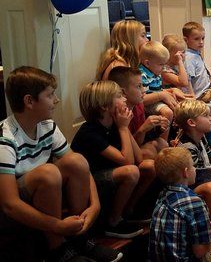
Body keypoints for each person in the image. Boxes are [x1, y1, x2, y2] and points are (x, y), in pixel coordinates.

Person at [0, 67, 122, 262]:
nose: (56, 100)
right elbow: (9, 203)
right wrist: (57, 225)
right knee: (48, 173)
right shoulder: (5, 139)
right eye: (50, 95)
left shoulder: (47, 126)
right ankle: (58, 250)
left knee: (77, 161)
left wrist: (95, 205)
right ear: (29, 101)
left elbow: (81, 166)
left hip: (39, 194)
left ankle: (79, 239)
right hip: (11, 210)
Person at [71, 81, 155, 239]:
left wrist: (124, 127)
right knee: (131, 172)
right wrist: (123, 128)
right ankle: (113, 222)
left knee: (149, 166)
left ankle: (128, 211)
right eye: (119, 96)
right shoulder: (89, 132)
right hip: (90, 182)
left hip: (112, 172)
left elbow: (139, 158)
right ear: (104, 106)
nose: (124, 99)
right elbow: (128, 163)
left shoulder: (115, 124)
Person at [149, 147, 211, 262]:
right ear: (185, 172)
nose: (194, 169)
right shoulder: (194, 202)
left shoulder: (161, 197)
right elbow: (200, 251)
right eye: (192, 166)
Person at [108, 66, 169, 159]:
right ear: (123, 92)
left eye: (143, 85)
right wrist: (143, 129)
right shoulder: (118, 114)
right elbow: (129, 147)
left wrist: (158, 128)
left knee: (162, 144)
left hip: (137, 145)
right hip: (124, 154)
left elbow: (141, 140)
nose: (144, 90)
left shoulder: (138, 105)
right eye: (139, 86)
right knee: (149, 153)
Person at [139, 41, 177, 140]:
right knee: (168, 113)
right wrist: (162, 95)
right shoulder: (142, 75)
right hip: (148, 103)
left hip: (155, 99)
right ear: (147, 63)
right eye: (161, 64)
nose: (164, 68)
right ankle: (163, 141)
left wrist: (168, 93)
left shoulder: (154, 70)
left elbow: (158, 89)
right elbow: (142, 99)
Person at [183, 22, 211, 99]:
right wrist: (193, 98)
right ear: (186, 40)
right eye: (196, 39)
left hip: (206, 91)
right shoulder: (189, 57)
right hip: (200, 96)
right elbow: (188, 80)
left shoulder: (196, 54)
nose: (201, 42)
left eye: (203, 38)